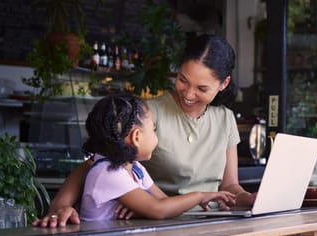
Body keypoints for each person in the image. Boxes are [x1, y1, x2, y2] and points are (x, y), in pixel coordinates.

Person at [34, 34, 256, 227]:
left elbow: (229, 186)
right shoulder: (148, 114)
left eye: (201, 88)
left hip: (211, 223)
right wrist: (60, 205)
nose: (188, 94)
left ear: (224, 83)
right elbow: (96, 163)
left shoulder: (225, 118)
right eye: (182, 80)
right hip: (157, 224)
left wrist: (251, 198)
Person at [78, 93, 235, 221]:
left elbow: (165, 203)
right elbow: (158, 209)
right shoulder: (108, 173)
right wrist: (200, 196)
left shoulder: (136, 169)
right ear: (137, 137)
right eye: (153, 129)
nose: (155, 134)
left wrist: (142, 210)